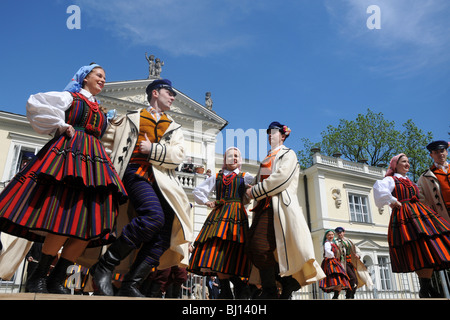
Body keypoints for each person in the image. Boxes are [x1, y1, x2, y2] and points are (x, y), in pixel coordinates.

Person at [0, 63, 128, 294]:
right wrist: (60, 124)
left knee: (89, 228)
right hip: (70, 157)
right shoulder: (70, 97)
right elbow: (35, 102)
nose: (103, 80)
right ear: (84, 78)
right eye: (98, 75)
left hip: (94, 163)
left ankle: (57, 278)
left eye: (104, 77)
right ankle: (39, 276)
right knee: (64, 220)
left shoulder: (102, 111)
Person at [91, 79, 192, 297]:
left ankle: (131, 284)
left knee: (164, 234)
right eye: (169, 93)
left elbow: (178, 156)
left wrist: (152, 149)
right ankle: (105, 265)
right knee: (154, 217)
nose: (173, 97)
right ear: (155, 93)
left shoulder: (174, 127)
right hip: (135, 173)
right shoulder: (129, 118)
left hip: (163, 182)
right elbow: (108, 144)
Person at [245, 121, 325, 299]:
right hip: (263, 208)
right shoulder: (266, 158)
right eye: (268, 133)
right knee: (255, 246)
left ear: (282, 136)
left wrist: (255, 191)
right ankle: (283, 284)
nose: (270, 136)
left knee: (260, 246)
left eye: (273, 133)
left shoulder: (289, 154)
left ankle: (272, 289)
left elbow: (281, 179)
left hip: (279, 207)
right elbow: (263, 182)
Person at [373, 153, 450, 298]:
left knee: (428, 247)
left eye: (408, 161)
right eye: (404, 162)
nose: (407, 164)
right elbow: (378, 189)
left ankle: (426, 288)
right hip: (404, 215)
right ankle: (426, 289)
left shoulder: (410, 181)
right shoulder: (390, 179)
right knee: (417, 249)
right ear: (396, 165)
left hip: (419, 213)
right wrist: (392, 200)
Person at [188, 147, 254, 299]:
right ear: (225, 160)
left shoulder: (245, 176)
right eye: (230, 156)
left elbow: (260, 183)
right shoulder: (217, 176)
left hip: (237, 216)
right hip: (219, 215)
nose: (234, 158)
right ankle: (226, 291)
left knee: (235, 251)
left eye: (237, 155)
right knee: (216, 251)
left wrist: (251, 192)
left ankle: (239, 286)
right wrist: (207, 202)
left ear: (240, 160)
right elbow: (198, 191)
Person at [418, 140, 450, 223]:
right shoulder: (425, 177)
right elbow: (421, 198)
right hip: (443, 217)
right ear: (431, 155)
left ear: (446, 152)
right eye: (436, 152)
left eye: (442, 151)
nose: (440, 154)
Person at [318, 229, 351, 299]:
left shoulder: (333, 243)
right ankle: (335, 296)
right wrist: (333, 255)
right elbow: (327, 252)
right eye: (329, 235)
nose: (331, 236)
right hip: (330, 261)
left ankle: (335, 296)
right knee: (335, 278)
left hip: (335, 261)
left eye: (332, 235)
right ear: (326, 236)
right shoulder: (327, 243)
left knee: (340, 278)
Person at [334, 227, 361, 299]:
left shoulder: (348, 240)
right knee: (352, 278)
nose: (339, 234)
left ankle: (351, 295)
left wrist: (358, 254)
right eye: (338, 233)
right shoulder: (335, 241)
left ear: (344, 232)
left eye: (341, 232)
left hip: (351, 262)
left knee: (356, 281)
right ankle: (348, 295)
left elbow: (356, 248)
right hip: (343, 263)